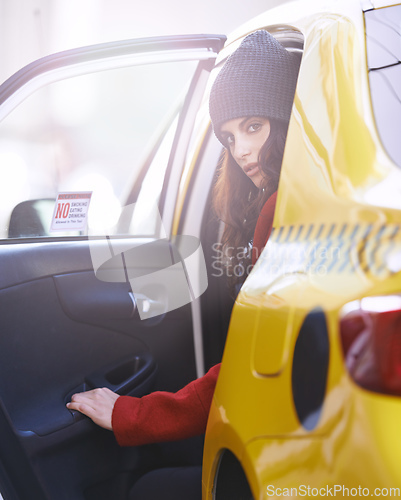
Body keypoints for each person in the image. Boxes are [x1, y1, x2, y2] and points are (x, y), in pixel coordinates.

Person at [66, 30, 300, 499]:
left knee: (147, 490)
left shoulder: (282, 212)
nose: (242, 151)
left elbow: (248, 371)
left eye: (254, 126)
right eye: (229, 137)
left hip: (290, 459)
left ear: (285, 116)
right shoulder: (306, 202)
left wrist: (129, 414)